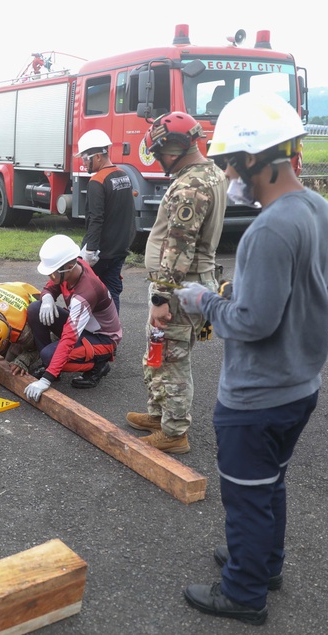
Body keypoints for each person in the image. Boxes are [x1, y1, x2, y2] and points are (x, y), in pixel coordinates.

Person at [174, 92, 328, 625]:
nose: (227, 174)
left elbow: (251, 322)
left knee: (245, 497)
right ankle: (265, 564)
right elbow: (317, 287)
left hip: (256, 397)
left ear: (255, 160)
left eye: (229, 162)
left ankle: (244, 593)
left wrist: (201, 301)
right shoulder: (316, 209)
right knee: (271, 483)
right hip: (301, 384)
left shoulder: (267, 229)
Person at [125, 111, 227, 455]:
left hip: (180, 287)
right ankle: (159, 413)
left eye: (159, 151)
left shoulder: (191, 187)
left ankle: (174, 432)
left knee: (171, 358)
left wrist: (162, 297)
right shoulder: (209, 173)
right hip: (190, 283)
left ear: (177, 145)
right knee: (161, 350)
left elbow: (179, 245)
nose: (156, 158)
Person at [23, 235, 121, 400]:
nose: (50, 277)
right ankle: (52, 365)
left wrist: (46, 380)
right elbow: (52, 286)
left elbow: (69, 337)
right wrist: (47, 297)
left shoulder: (85, 294)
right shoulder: (73, 267)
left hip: (102, 338)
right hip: (84, 326)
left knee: (49, 355)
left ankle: (99, 366)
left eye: (52, 273)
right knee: (35, 308)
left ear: (68, 267)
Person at [75, 129, 135, 312]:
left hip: (101, 250)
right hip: (120, 247)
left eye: (86, 158)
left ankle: (88, 331)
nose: (84, 163)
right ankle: (112, 332)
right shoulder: (123, 175)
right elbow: (128, 212)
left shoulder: (97, 181)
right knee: (112, 290)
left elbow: (96, 219)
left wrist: (90, 250)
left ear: (98, 156)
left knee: (86, 290)